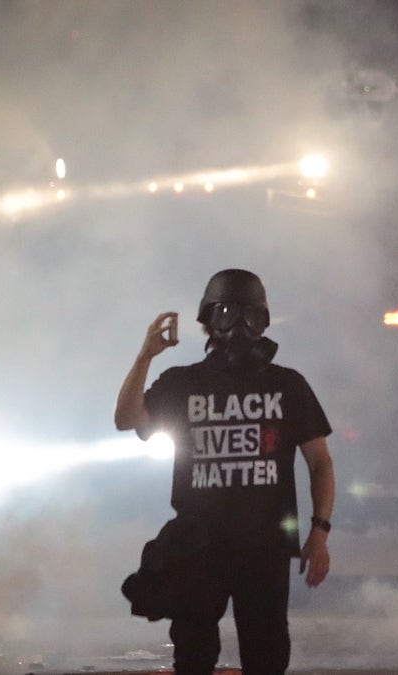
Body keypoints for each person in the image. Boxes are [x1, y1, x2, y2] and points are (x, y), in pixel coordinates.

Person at [115, 268, 335, 675]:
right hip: (198, 545)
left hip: (266, 546)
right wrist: (145, 356)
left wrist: (319, 531)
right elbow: (127, 419)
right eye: (228, 313)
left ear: (264, 322)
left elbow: (320, 462)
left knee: (267, 654)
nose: (238, 326)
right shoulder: (182, 383)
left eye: (250, 315)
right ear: (208, 320)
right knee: (194, 655)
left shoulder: (288, 385)